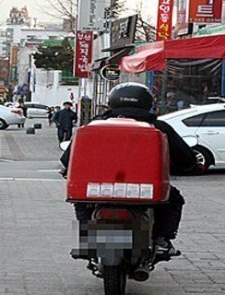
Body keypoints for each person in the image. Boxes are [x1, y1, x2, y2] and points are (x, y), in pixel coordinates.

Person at [60, 82, 197, 256]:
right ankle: (161, 239)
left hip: (98, 189)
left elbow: (67, 159)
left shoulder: (94, 125)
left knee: (81, 202)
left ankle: (87, 239)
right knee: (174, 200)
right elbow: (186, 159)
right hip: (145, 191)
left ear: (112, 102)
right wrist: (189, 166)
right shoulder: (159, 127)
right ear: (147, 103)